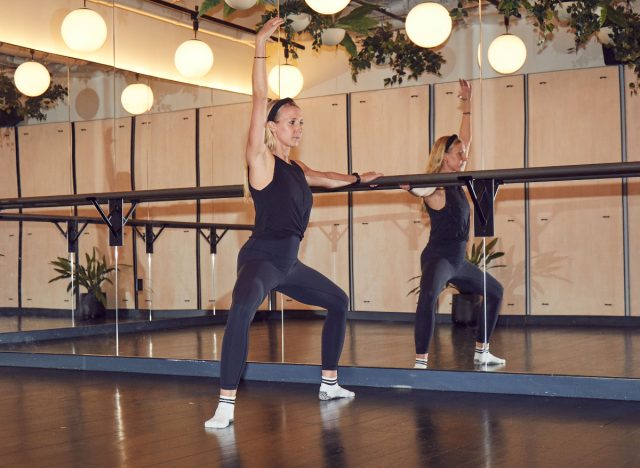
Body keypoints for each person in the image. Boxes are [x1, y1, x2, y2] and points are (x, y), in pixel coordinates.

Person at [205, 17, 382, 429]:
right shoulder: (261, 159)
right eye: (291, 122)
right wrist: (260, 45)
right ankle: (226, 405)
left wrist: (359, 179)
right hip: (262, 259)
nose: (298, 127)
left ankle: (329, 382)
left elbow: (326, 178)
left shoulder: (296, 167)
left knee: (338, 301)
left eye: (301, 121)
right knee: (241, 312)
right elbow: (258, 95)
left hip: (290, 263)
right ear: (272, 128)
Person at [401, 79, 505, 370]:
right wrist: (411, 187)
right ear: (444, 157)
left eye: (463, 154)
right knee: (429, 296)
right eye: (458, 154)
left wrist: (468, 105)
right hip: (439, 258)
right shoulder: (436, 188)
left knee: (494, 290)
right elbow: (422, 190)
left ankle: (482, 351)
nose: (463, 157)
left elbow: (466, 140)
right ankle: (421, 361)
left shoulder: (458, 182)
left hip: (458, 261)